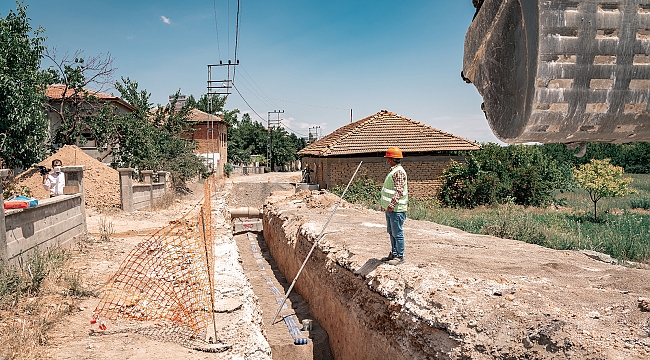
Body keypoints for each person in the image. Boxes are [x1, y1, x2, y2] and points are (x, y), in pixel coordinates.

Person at [380, 146, 408, 265]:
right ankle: (394, 253)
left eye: (388, 159)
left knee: (397, 233)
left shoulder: (399, 172)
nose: (387, 161)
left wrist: (391, 204)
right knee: (391, 232)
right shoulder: (394, 171)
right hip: (391, 209)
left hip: (397, 209)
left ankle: (399, 256)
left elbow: (399, 191)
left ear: (391, 159)